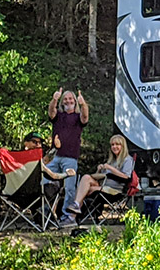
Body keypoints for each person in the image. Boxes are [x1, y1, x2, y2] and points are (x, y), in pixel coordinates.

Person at [47, 87, 89, 226]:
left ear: (75, 101)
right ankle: (44, 214)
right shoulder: (59, 116)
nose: (68, 101)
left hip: (70, 158)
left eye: (70, 99)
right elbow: (51, 112)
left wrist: (83, 104)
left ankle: (68, 218)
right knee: (43, 182)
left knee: (70, 188)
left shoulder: (77, 117)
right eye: (65, 99)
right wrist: (54, 99)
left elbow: (85, 117)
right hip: (55, 157)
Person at [67, 135, 134, 217]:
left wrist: (110, 168)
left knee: (83, 190)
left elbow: (126, 177)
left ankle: (72, 217)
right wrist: (99, 170)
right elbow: (102, 177)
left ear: (123, 146)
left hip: (114, 191)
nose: (114, 147)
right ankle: (76, 205)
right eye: (112, 145)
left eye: (117, 144)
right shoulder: (111, 160)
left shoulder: (127, 159)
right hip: (103, 185)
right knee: (86, 178)